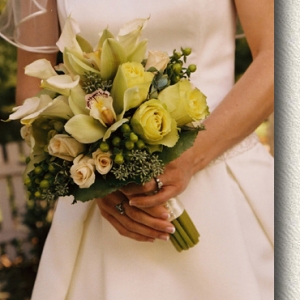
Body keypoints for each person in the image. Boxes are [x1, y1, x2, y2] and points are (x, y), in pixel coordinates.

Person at [0, 0, 274, 299]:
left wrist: (190, 159)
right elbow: (32, 89)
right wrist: (103, 180)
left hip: (225, 189)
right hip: (107, 205)